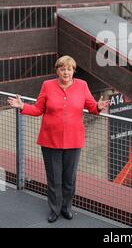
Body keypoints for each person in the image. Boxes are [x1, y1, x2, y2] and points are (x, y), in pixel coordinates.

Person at [7, 55, 109, 223]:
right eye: (62, 69)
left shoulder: (82, 85)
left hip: (74, 141)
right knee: (54, 179)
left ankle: (66, 208)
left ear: (73, 71)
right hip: (50, 140)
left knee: (69, 178)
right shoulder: (47, 85)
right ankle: (54, 209)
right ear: (57, 71)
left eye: (69, 69)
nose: (66, 72)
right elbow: (38, 109)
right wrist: (23, 106)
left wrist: (98, 107)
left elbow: (91, 106)